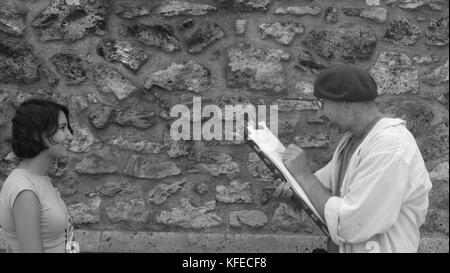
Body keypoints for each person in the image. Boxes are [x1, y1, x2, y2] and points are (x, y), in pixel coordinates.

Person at [274, 64, 432, 253]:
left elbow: (351, 224)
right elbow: (319, 191)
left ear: (346, 101)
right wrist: (295, 190)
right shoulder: (352, 141)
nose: (319, 113)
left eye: (322, 103)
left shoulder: (390, 146)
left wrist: (305, 176)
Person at [0, 99, 77, 253]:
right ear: (36, 133)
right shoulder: (25, 190)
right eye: (62, 128)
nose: (70, 136)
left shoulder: (40, 179)